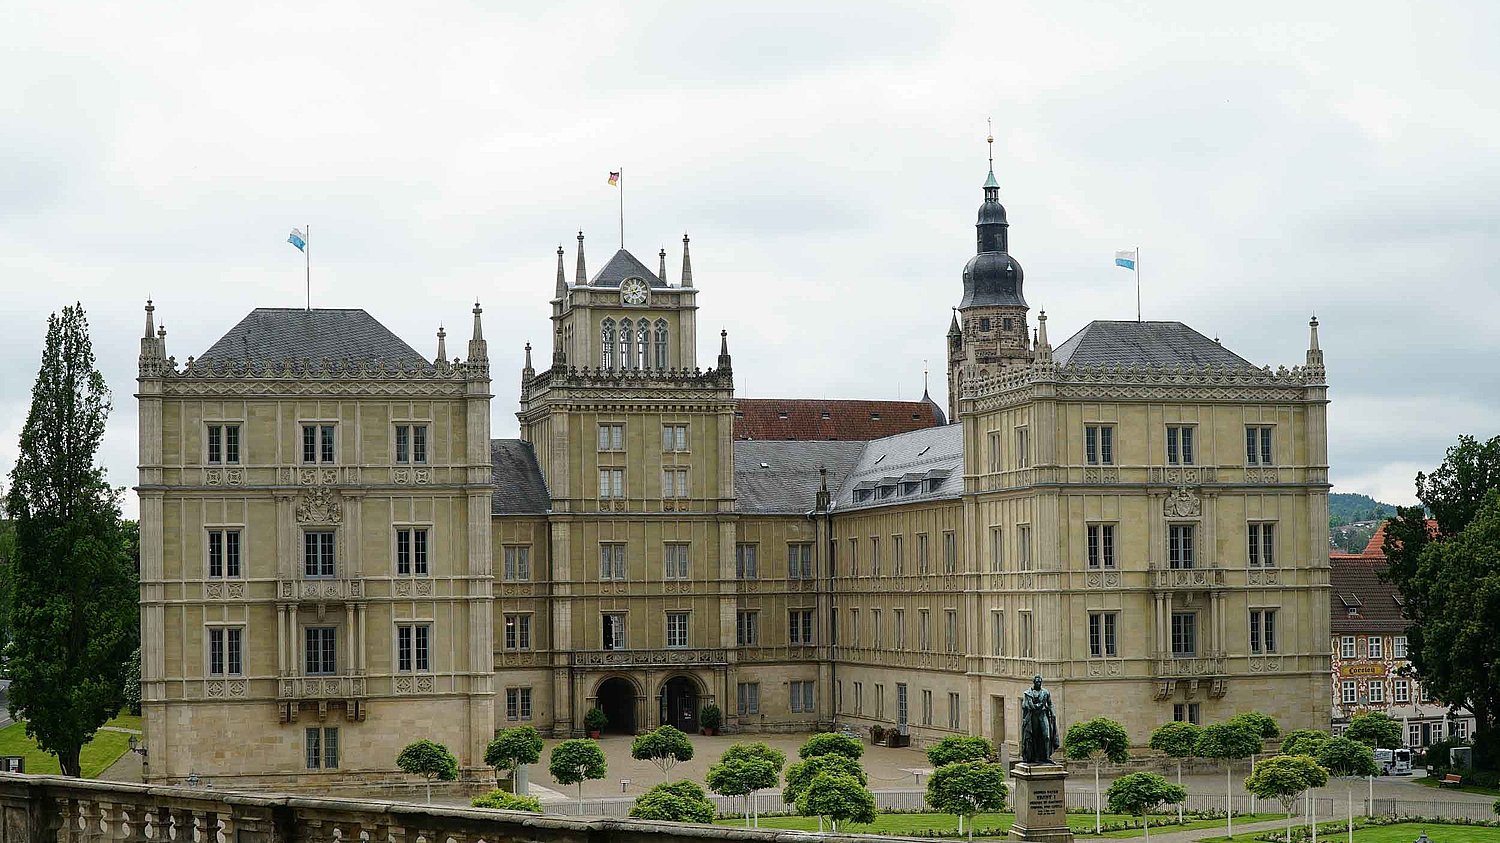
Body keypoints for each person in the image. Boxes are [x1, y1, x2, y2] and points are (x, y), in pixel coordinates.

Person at [1019, 674, 1059, 764]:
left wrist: (1053, 713)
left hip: (1043, 715)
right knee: (1035, 737)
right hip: (1033, 717)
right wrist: (1033, 706)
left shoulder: (1045, 692)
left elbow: (1050, 704)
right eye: (1037, 682)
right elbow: (1025, 705)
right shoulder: (1028, 693)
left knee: (1047, 735)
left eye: (1040, 682)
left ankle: (1047, 756)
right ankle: (1036, 757)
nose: (1039, 683)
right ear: (1034, 683)